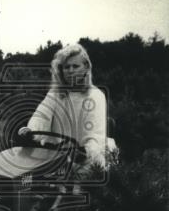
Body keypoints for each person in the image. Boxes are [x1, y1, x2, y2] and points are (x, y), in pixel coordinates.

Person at [18, 42, 116, 170]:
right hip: (56, 156)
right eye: (66, 67)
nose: (70, 71)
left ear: (86, 67)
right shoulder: (55, 94)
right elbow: (41, 116)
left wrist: (85, 151)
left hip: (86, 160)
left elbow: (96, 135)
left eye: (75, 66)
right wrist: (30, 131)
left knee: (81, 182)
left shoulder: (96, 96)